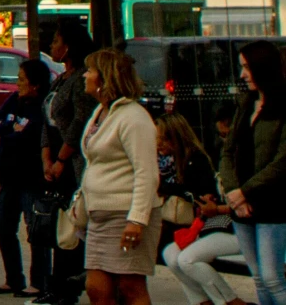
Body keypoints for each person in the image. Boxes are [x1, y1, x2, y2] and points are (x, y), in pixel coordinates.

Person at [76, 46, 159, 305]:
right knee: (97, 289)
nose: (84, 76)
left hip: (126, 215)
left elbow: (147, 172)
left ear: (105, 77)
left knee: (130, 286)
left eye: (89, 71)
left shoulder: (133, 117)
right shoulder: (101, 113)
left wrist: (137, 220)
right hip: (99, 216)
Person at [220, 39, 286, 305]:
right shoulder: (245, 104)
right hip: (241, 205)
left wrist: (244, 192)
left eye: (246, 67)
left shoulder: (282, 108)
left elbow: (283, 162)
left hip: (272, 202)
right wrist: (234, 191)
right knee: (258, 277)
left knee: (272, 277)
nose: (242, 74)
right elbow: (226, 152)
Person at [43, 18, 99, 305]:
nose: (51, 46)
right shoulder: (60, 78)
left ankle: (68, 287)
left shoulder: (80, 79)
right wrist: (46, 156)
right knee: (58, 226)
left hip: (72, 161)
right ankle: (56, 285)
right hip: (53, 157)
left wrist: (61, 159)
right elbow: (48, 117)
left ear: (68, 46)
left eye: (55, 41)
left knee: (72, 225)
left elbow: (79, 123)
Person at [158, 112, 239, 305]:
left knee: (187, 260)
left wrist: (167, 188)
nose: (157, 144)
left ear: (175, 138)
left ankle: (231, 302)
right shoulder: (167, 163)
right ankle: (202, 301)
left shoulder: (196, 160)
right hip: (204, 226)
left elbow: (200, 195)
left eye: (162, 139)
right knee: (171, 254)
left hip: (225, 225)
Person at [0, 58, 54, 297]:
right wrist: (11, 125)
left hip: (31, 178)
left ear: (35, 84)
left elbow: (30, 133)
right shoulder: (13, 100)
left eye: (21, 79)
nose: (17, 83)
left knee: (36, 231)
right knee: (3, 227)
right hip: (7, 177)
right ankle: (13, 278)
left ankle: (39, 281)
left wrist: (13, 127)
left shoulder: (42, 106)